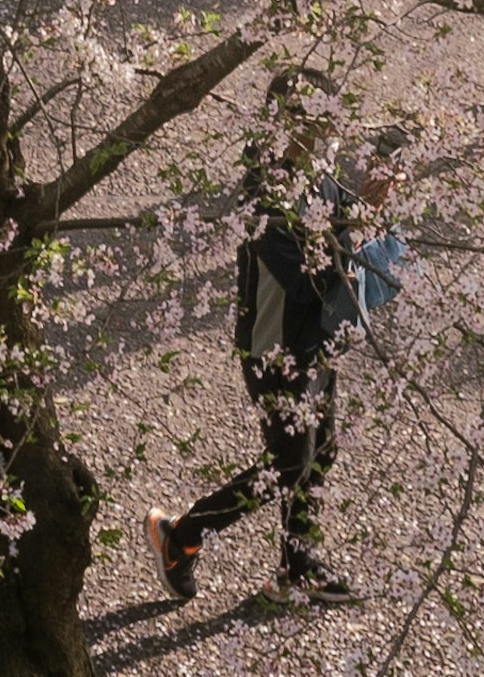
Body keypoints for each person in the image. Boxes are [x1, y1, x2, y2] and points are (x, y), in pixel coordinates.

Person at [147, 117, 398, 608]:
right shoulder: (262, 197)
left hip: (317, 340)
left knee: (319, 450)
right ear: (285, 124)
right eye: (316, 125)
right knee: (289, 461)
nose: (328, 137)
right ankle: (180, 536)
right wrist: (362, 215)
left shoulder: (320, 173)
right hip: (275, 350)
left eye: (331, 125)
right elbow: (307, 280)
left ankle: (297, 568)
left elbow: (346, 233)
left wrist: (372, 204)